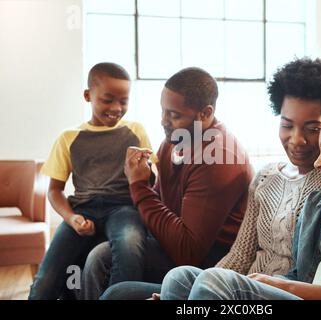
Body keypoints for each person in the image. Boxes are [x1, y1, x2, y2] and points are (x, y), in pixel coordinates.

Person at [100, 57, 321, 300]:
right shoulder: (267, 177)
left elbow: (319, 274)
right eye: (287, 125)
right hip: (236, 285)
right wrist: (202, 284)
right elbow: (240, 256)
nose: (297, 139)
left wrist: (213, 284)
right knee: (171, 281)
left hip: (276, 291)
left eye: (313, 129)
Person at [159, 95, 321, 300]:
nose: (319, 162)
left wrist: (282, 284)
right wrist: (274, 282)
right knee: (180, 278)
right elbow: (300, 274)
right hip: (297, 293)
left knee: (214, 283)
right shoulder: (318, 203)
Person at [79, 67, 254, 299]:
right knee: (99, 255)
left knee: (114, 288)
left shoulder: (219, 157)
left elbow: (187, 252)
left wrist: (139, 187)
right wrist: (149, 181)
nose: (163, 121)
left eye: (174, 115)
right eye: (163, 111)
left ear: (205, 113)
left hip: (208, 264)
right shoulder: (175, 140)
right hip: (172, 244)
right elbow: (165, 204)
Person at [28, 62, 157, 299]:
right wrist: (71, 217)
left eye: (124, 101)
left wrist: (143, 169)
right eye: (108, 100)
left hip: (123, 207)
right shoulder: (69, 138)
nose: (117, 108)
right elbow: (54, 191)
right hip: (82, 209)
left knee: (129, 244)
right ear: (88, 96)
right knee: (45, 279)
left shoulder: (136, 131)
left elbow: (152, 179)